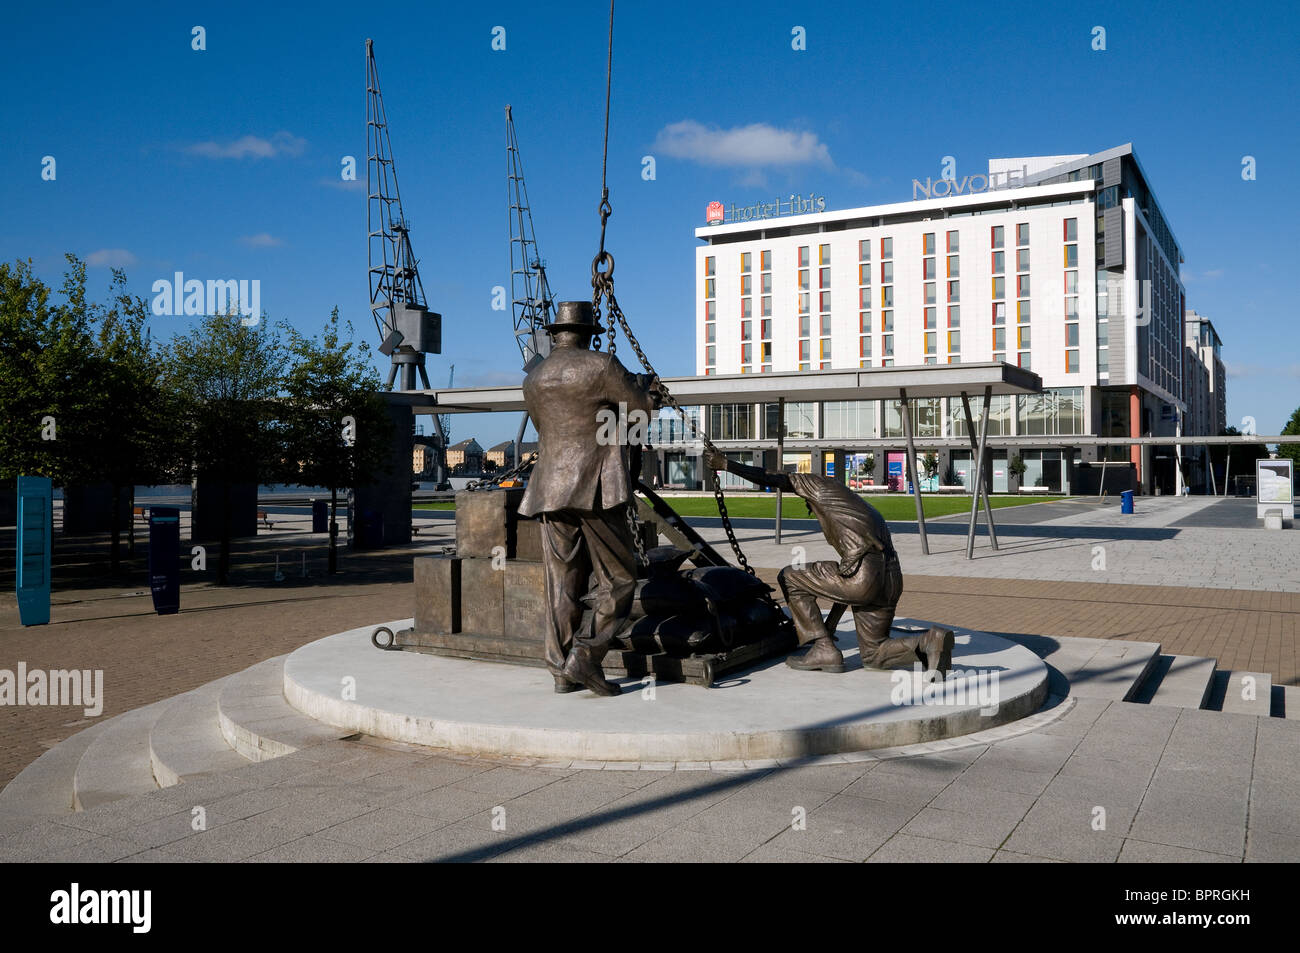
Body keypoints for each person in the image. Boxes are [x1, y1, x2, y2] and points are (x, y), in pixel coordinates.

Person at [703, 450, 953, 676]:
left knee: (791, 576)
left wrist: (726, 465)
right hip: (889, 581)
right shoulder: (857, 506)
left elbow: (773, 477)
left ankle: (823, 649)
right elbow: (847, 582)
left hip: (863, 576)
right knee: (874, 654)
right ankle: (929, 641)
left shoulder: (819, 485)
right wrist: (829, 625)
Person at [518, 301, 659, 696]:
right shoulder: (601, 365)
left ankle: (560, 669)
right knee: (619, 578)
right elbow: (640, 410)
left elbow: (548, 427)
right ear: (590, 332)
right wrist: (649, 391)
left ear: (556, 334)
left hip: (549, 488)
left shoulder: (534, 379)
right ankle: (585, 656)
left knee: (561, 583)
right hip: (594, 487)